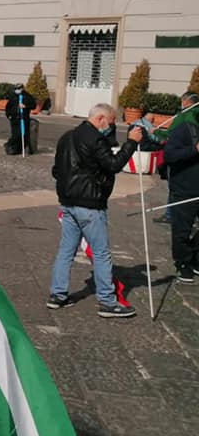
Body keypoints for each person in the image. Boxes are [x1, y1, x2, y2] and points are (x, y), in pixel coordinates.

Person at [49, 103, 143, 318]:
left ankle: (57, 295)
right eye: (110, 123)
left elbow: (56, 170)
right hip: (90, 203)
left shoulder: (67, 136)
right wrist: (131, 143)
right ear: (100, 119)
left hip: (68, 201)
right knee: (101, 253)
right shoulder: (95, 139)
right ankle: (108, 301)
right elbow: (113, 164)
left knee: (66, 251)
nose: (110, 128)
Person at [162, 92, 199, 282]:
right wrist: (194, 150)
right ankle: (183, 263)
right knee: (182, 230)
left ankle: (196, 259)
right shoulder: (184, 127)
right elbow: (169, 155)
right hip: (185, 187)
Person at [5, 83, 36, 155]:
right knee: (16, 134)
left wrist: (25, 106)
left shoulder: (27, 96)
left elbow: (33, 105)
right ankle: (10, 145)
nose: (16, 90)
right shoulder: (13, 96)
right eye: (15, 89)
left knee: (24, 134)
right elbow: (8, 107)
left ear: (22, 89)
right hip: (14, 118)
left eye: (18, 89)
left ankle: (18, 149)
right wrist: (9, 115)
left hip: (24, 118)